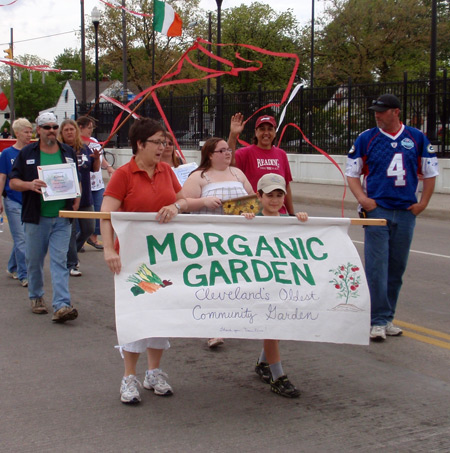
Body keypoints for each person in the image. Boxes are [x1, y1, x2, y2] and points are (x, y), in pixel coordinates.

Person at [100, 117, 189, 404]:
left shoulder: (166, 171)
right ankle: (129, 376)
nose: (163, 148)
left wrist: (175, 206)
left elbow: (184, 199)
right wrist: (108, 250)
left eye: (165, 142)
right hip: (133, 259)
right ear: (140, 144)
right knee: (136, 313)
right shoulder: (123, 174)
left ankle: (154, 372)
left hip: (164, 257)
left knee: (159, 312)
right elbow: (106, 214)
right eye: (158, 142)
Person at [345, 93, 439, 341]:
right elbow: (352, 173)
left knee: (396, 267)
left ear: (396, 112)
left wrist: (423, 203)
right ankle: (376, 320)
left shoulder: (416, 138)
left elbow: (430, 173)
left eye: (382, 110)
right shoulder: (367, 138)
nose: (377, 114)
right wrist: (364, 200)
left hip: (406, 211)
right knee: (377, 266)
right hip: (378, 211)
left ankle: (387, 318)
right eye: (375, 110)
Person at [183, 137, 254, 348]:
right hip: (209, 239)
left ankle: (234, 321)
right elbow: (183, 203)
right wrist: (204, 202)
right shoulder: (199, 176)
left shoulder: (238, 173)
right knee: (213, 282)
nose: (228, 153)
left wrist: (248, 210)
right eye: (222, 150)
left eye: (228, 150)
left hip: (237, 238)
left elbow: (252, 199)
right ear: (210, 155)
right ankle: (213, 329)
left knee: (233, 280)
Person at [242, 173, 307, 398]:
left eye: (280, 195)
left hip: (283, 281)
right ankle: (277, 377)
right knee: (272, 326)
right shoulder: (252, 219)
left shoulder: (289, 221)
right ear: (259, 196)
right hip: (261, 284)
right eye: (270, 195)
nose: (275, 200)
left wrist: (300, 220)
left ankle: (263, 363)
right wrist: (247, 221)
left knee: (280, 326)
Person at [9, 112, 79, 322]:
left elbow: (75, 178)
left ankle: (62, 305)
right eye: (46, 127)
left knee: (59, 261)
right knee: (34, 260)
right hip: (36, 216)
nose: (51, 130)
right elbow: (13, 182)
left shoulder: (67, 152)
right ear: (38, 130)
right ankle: (37, 296)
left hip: (62, 217)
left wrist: (77, 195)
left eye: (54, 126)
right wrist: (29, 185)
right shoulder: (27, 153)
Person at [228, 113, 295, 215]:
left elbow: (286, 186)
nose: (266, 133)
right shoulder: (245, 153)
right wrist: (233, 135)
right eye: (262, 129)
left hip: (278, 213)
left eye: (270, 129)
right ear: (256, 132)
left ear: (275, 132)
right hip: (253, 214)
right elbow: (229, 162)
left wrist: (292, 214)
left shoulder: (281, 154)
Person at [58, 119, 100, 276]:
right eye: (66, 130)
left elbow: (93, 170)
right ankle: (72, 264)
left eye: (72, 129)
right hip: (69, 198)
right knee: (71, 230)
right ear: (61, 133)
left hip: (85, 196)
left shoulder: (84, 148)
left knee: (89, 228)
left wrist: (95, 159)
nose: (69, 132)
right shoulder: (60, 150)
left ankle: (70, 253)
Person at [0, 118, 33, 287]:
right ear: (17, 133)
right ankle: (24, 274)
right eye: (26, 132)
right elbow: (3, 176)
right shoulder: (7, 154)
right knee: (21, 239)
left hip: (27, 200)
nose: (29, 135)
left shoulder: (31, 152)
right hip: (12, 200)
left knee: (25, 237)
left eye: (30, 131)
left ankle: (12, 266)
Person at [77, 115, 114, 250]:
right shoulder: (74, 142)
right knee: (79, 215)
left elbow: (100, 158)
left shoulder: (93, 141)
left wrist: (108, 167)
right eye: (89, 128)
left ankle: (93, 238)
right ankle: (78, 242)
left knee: (98, 211)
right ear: (81, 128)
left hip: (96, 184)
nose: (91, 131)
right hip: (83, 185)